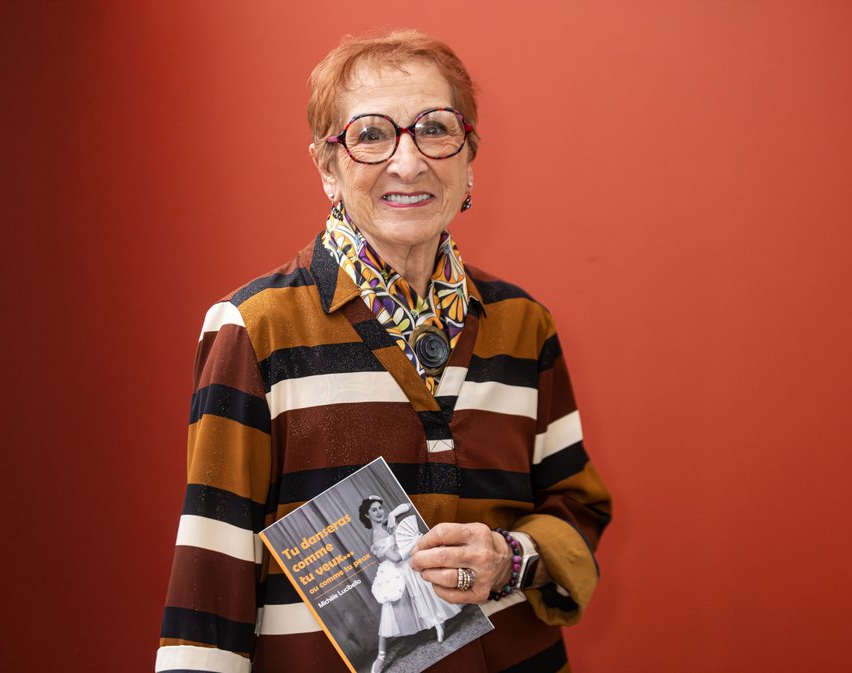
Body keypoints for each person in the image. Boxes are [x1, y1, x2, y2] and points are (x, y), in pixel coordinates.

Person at [157, 29, 612, 673]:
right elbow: (214, 560)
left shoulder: (523, 325)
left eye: (434, 128)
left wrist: (510, 559)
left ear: (469, 156)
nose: (408, 162)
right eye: (370, 135)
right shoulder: (255, 328)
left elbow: (579, 509)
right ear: (326, 166)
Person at [360, 495, 462, 672]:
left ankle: (438, 622)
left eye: (379, 508)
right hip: (395, 569)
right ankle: (381, 657)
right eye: (374, 510)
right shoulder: (376, 536)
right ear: (367, 515)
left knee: (425, 591)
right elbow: (397, 557)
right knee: (390, 612)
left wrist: (392, 514)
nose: (378, 512)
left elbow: (407, 505)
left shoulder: (387, 522)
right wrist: (414, 542)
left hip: (407, 565)